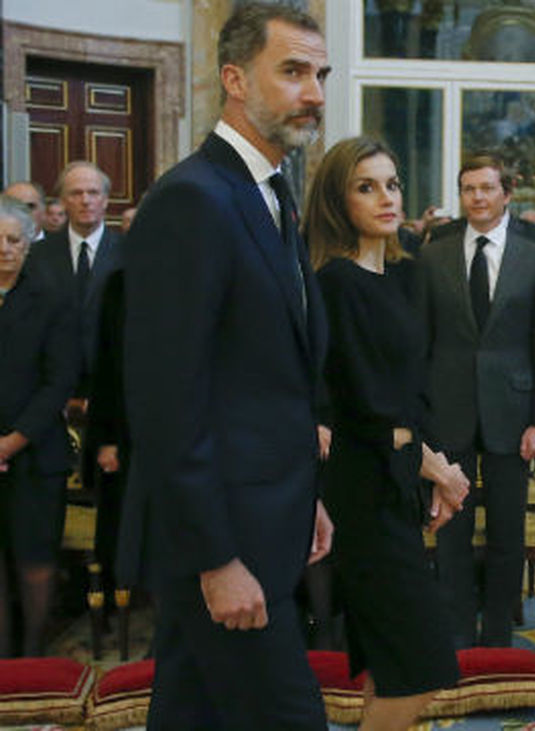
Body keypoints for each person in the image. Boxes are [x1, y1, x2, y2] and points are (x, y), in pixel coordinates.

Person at [119, 4, 335, 726]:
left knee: (190, 714)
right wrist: (216, 558)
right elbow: (166, 402)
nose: (315, 93)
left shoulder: (268, 193)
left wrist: (307, 497)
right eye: (294, 72)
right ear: (235, 79)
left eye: (321, 74)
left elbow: (265, 381)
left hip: (265, 521)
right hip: (222, 544)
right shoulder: (192, 200)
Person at [306, 136, 470, 728]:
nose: (385, 197)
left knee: (392, 668)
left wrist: (431, 468)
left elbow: (412, 395)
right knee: (423, 667)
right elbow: (370, 409)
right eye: (366, 186)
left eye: (392, 183)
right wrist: (439, 470)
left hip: (395, 483)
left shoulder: (401, 275)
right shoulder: (337, 283)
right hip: (363, 489)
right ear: (337, 199)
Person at [417, 154, 535, 649]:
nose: (476, 197)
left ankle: (497, 633)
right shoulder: (433, 254)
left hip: (513, 415)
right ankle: (456, 630)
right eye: (468, 189)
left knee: (506, 531)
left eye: (485, 188)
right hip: (448, 408)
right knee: (450, 529)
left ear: (506, 194)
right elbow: (423, 339)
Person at [0, 196, 77, 657]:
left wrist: (9, 444)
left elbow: (58, 382)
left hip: (35, 451)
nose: (5, 249)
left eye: (14, 240)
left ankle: (32, 653)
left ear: (30, 243)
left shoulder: (52, 297)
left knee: (34, 558)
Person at [26, 161, 122, 403]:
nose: (85, 200)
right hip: (50, 387)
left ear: (106, 200)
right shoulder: (38, 255)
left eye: (93, 193)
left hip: (112, 385)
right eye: (76, 193)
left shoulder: (130, 253)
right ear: (61, 201)